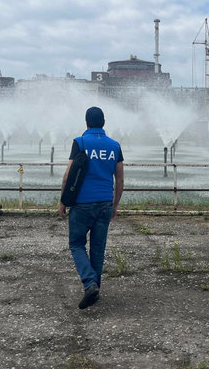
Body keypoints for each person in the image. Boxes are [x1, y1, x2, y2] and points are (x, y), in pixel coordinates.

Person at [58, 106, 124, 309]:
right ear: (104, 122)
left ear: (86, 123)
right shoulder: (115, 146)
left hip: (82, 204)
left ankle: (89, 283)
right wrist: (115, 205)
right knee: (98, 248)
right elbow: (120, 179)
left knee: (76, 244)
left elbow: (69, 174)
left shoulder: (81, 142)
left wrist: (63, 200)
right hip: (105, 203)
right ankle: (95, 288)